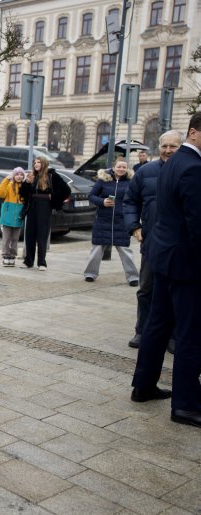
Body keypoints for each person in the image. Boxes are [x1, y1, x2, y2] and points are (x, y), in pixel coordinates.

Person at [130, 113, 201, 428]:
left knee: (157, 326)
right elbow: (197, 225)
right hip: (186, 264)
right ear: (195, 132)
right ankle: (185, 404)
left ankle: (143, 386)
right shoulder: (193, 167)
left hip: (164, 259)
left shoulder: (172, 162)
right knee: (190, 333)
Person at [123, 130, 182, 348]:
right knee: (146, 288)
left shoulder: (190, 171)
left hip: (180, 244)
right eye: (164, 146)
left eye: (173, 146)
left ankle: (174, 336)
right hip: (152, 242)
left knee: (176, 290)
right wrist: (134, 227)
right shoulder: (145, 171)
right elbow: (130, 201)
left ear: (180, 147)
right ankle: (142, 331)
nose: (167, 150)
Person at [82, 158, 138, 285]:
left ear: (127, 169)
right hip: (102, 220)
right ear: (113, 168)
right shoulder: (103, 180)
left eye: (124, 167)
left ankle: (133, 277)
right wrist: (102, 202)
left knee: (125, 250)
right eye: (119, 167)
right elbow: (91, 196)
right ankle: (90, 274)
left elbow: (135, 199)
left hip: (121, 221)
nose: (121, 169)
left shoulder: (131, 182)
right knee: (96, 250)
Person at [19, 155, 70, 270]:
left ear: (44, 164)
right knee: (30, 234)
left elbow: (66, 190)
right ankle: (28, 261)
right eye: (35, 162)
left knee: (42, 235)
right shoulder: (32, 176)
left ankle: (42, 262)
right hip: (32, 206)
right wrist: (26, 183)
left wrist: (54, 198)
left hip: (44, 206)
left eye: (39, 162)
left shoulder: (51, 175)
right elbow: (23, 194)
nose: (36, 164)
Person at [0, 167, 25, 267]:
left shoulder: (24, 187)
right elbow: (0, 193)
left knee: (15, 239)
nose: (19, 176)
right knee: (6, 239)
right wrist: (6, 180)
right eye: (17, 174)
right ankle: (5, 256)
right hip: (7, 217)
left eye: (21, 174)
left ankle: (12, 256)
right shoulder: (9, 185)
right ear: (13, 175)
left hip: (18, 218)